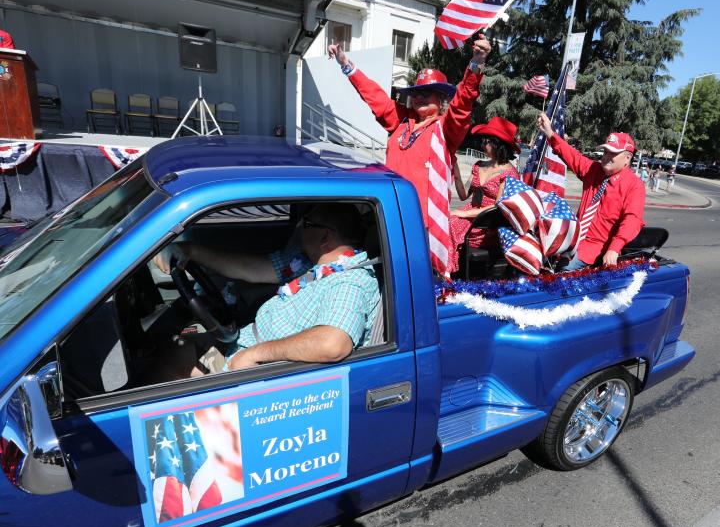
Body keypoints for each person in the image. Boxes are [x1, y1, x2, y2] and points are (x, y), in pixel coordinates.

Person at [153, 204, 379, 378]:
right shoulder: (307, 264)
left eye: (307, 223)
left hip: (261, 372)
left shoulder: (349, 282)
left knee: (166, 368)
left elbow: (332, 344)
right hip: (243, 343)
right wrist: (188, 250)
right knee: (173, 349)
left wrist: (255, 354)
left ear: (325, 238)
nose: (300, 227)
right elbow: (250, 268)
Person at [328, 35, 491, 225]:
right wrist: (346, 64)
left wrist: (476, 62)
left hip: (423, 223)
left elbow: (463, 103)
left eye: (426, 93)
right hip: (390, 213)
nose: (419, 98)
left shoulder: (446, 128)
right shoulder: (402, 120)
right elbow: (374, 95)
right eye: (415, 93)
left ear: (441, 100)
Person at [537, 112, 645, 269]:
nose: (607, 156)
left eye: (613, 153)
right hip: (570, 237)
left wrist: (615, 248)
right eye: (606, 151)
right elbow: (572, 155)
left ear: (627, 158)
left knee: (562, 270)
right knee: (534, 256)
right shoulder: (594, 170)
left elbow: (633, 220)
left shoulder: (634, 185)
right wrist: (550, 133)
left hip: (594, 248)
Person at [447, 117, 521, 273]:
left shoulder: (509, 173)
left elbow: (497, 208)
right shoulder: (479, 165)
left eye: (487, 140)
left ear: (498, 144)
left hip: (488, 224)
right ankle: (443, 269)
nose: (483, 143)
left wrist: (462, 213)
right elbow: (463, 195)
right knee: (443, 221)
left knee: (451, 223)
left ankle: (448, 272)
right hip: (471, 215)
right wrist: (455, 169)